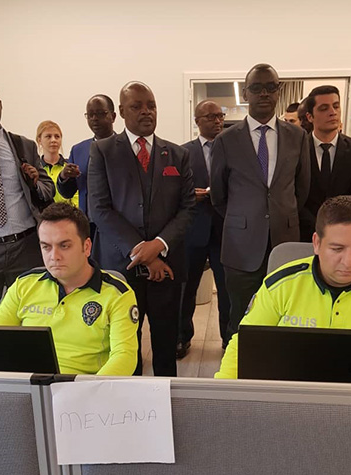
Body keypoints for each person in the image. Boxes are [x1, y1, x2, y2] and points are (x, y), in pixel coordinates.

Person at [215, 195, 351, 378]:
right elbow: (244, 346)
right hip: (290, 397)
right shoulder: (280, 286)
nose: (349, 262)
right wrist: (224, 397)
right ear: (317, 243)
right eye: (337, 248)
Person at [88, 81, 195, 376]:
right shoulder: (103, 152)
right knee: (124, 348)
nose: (146, 111)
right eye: (137, 106)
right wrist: (143, 252)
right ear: (121, 112)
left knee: (165, 347)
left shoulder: (178, 155)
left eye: (151, 105)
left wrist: (158, 245)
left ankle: (165, 404)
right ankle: (129, 410)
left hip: (167, 269)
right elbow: (99, 208)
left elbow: (187, 208)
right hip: (121, 267)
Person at [210, 63, 310, 350]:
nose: (263, 93)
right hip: (241, 246)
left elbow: (301, 190)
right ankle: (235, 375)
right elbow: (219, 196)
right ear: (245, 93)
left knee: (286, 313)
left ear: (278, 91)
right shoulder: (226, 140)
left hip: (285, 241)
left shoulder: (297, 136)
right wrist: (246, 219)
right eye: (256, 88)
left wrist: (280, 215)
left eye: (270, 87)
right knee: (240, 316)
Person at [0, 202, 138, 375]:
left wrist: (85, 392)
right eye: (46, 247)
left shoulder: (117, 294)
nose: (54, 256)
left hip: (85, 388)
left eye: (64, 246)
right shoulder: (24, 285)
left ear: (86, 247)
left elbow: (124, 356)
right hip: (28, 385)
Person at [0, 79, 55, 325]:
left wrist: (36, 182)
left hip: (26, 249)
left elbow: (49, 191)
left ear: (1, 105)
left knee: (34, 325)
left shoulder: (22, 145)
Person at [177, 100, 230, 358]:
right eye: (210, 117)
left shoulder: (232, 149)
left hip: (225, 229)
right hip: (193, 229)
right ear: (197, 121)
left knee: (227, 288)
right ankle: (182, 338)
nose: (217, 121)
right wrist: (190, 196)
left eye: (219, 116)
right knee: (186, 288)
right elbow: (174, 192)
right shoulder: (182, 153)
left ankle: (229, 339)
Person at [299, 85, 351, 241]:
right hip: (304, 233)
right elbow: (293, 195)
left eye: (336, 106)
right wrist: (316, 225)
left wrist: (338, 226)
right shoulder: (297, 149)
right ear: (310, 117)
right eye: (324, 108)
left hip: (344, 233)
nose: (333, 112)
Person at [67, 94, 117, 216]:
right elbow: (68, 192)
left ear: (113, 116)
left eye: (100, 113)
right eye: (90, 115)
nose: (94, 118)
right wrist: (65, 177)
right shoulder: (78, 150)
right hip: (88, 223)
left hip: (118, 223)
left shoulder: (125, 147)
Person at [36, 120, 79, 205]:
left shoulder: (69, 167)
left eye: (57, 136)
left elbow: (77, 197)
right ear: (39, 140)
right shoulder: (36, 169)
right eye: (48, 136)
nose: (53, 140)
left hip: (68, 216)